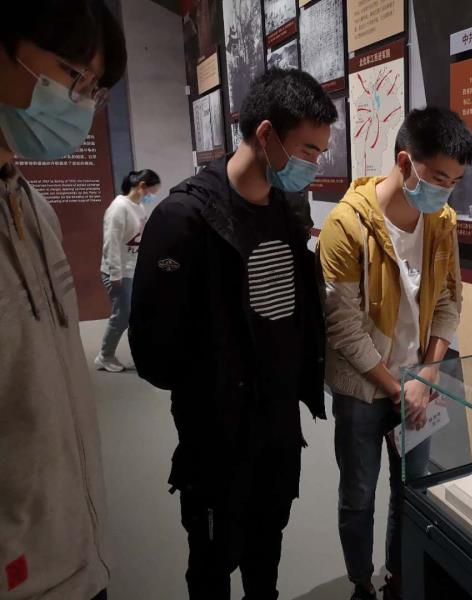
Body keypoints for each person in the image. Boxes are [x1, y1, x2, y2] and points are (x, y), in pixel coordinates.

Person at [129, 68, 335, 600]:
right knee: (212, 561)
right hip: (216, 433)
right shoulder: (184, 217)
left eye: (320, 152)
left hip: (277, 424)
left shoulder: (287, 209)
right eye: (308, 150)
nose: (314, 164)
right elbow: (154, 352)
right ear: (266, 135)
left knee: (267, 551)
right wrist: (217, 378)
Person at [317, 107, 472, 600]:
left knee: (412, 487)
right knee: (359, 494)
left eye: (454, 182)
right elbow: (343, 326)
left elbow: (449, 301)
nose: (444, 192)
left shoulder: (441, 223)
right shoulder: (346, 225)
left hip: (418, 384)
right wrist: (396, 386)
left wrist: (426, 374)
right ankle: (360, 582)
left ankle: (399, 573)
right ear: (406, 162)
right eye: (438, 178)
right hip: (363, 385)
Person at [0, 2, 126, 599]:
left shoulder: (34, 207)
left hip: (75, 551)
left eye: (92, 90)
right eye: (73, 75)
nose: (79, 103)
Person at [95, 169, 160, 372]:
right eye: (152, 191)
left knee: (138, 314)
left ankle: (143, 354)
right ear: (142, 186)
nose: (152, 196)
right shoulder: (119, 207)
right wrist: (115, 273)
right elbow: (111, 243)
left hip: (133, 270)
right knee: (122, 315)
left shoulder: (139, 207)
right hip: (119, 273)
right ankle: (105, 355)